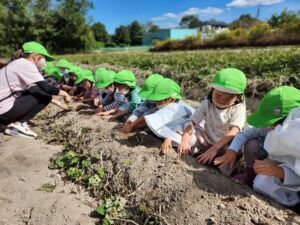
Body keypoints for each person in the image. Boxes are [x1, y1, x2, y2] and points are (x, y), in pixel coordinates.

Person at [214, 86, 300, 187]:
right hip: (266, 161)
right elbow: (244, 134)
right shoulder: (268, 128)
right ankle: (251, 175)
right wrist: (232, 150)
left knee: (263, 184)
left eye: (274, 123)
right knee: (252, 144)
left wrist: (279, 171)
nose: (269, 127)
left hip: (287, 172)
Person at [0, 41, 71, 138]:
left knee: (38, 91)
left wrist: (59, 104)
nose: (44, 61)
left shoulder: (17, 64)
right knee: (44, 92)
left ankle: (12, 123)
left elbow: (34, 89)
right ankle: (18, 125)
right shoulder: (26, 64)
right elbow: (46, 88)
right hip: (4, 111)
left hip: (2, 110)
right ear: (35, 55)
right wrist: (65, 94)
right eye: (43, 57)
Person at [178, 68, 247, 168]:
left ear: (238, 97)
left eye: (228, 98)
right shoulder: (207, 103)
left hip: (226, 145)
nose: (222, 100)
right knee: (189, 140)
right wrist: (184, 139)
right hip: (207, 139)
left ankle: (227, 164)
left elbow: (234, 130)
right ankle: (200, 152)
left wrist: (214, 149)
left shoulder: (238, 108)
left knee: (225, 165)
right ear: (212, 91)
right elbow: (192, 121)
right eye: (218, 95)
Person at [143, 78, 195, 154]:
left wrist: (169, 138)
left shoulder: (179, 109)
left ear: (172, 100)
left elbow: (182, 126)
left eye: (159, 101)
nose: (157, 104)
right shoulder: (166, 108)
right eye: (156, 101)